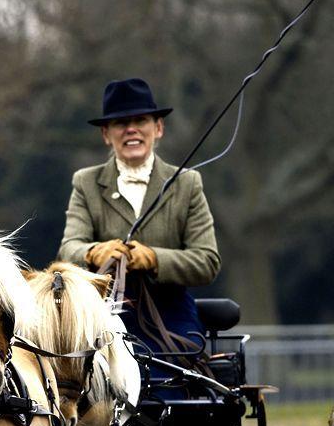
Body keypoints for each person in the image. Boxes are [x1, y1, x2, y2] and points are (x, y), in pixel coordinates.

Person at [58, 78, 220, 355]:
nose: (131, 129)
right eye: (121, 123)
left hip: (170, 313)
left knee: (171, 382)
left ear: (158, 128)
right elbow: (68, 250)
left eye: (140, 120)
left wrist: (154, 259)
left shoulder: (187, 183)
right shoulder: (85, 182)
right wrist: (95, 252)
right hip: (104, 313)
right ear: (106, 134)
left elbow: (207, 261)